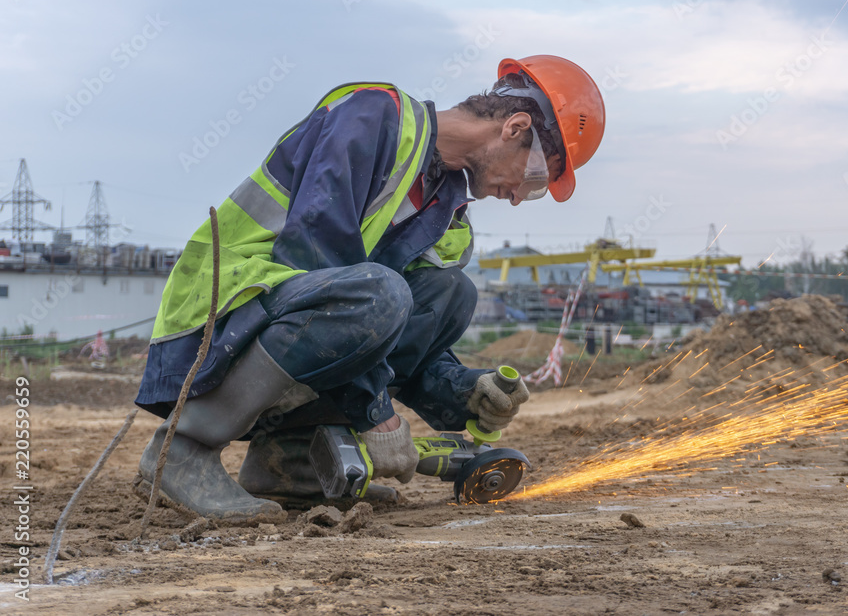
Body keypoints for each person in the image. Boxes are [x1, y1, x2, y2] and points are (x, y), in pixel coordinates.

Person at [134, 55, 606, 523]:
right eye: (536, 178)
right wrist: (376, 415)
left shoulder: (447, 209)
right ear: (516, 127)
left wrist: (461, 390)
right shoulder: (372, 116)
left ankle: (290, 460)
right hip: (217, 318)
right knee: (381, 291)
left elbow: (383, 331)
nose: (520, 195)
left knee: (451, 293)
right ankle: (183, 451)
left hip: (283, 317)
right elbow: (317, 257)